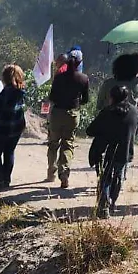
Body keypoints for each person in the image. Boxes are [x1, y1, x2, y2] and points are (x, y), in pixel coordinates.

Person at [86, 85, 138, 218]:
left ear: (111, 97)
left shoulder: (107, 112)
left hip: (105, 152)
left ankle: (103, 206)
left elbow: (90, 130)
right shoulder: (134, 111)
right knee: (118, 178)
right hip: (124, 152)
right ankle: (112, 203)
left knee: (105, 179)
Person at [46, 50, 90, 188]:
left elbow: (52, 97)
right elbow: (85, 100)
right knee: (67, 144)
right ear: (80, 62)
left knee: (53, 143)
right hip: (72, 115)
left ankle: (51, 172)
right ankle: (64, 174)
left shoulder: (59, 77)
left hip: (57, 113)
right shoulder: (83, 78)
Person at [0, 64, 27, 191]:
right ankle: (6, 180)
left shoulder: (7, 91)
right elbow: (4, 102)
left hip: (3, 127)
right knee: (9, 152)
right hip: (17, 127)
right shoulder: (20, 90)